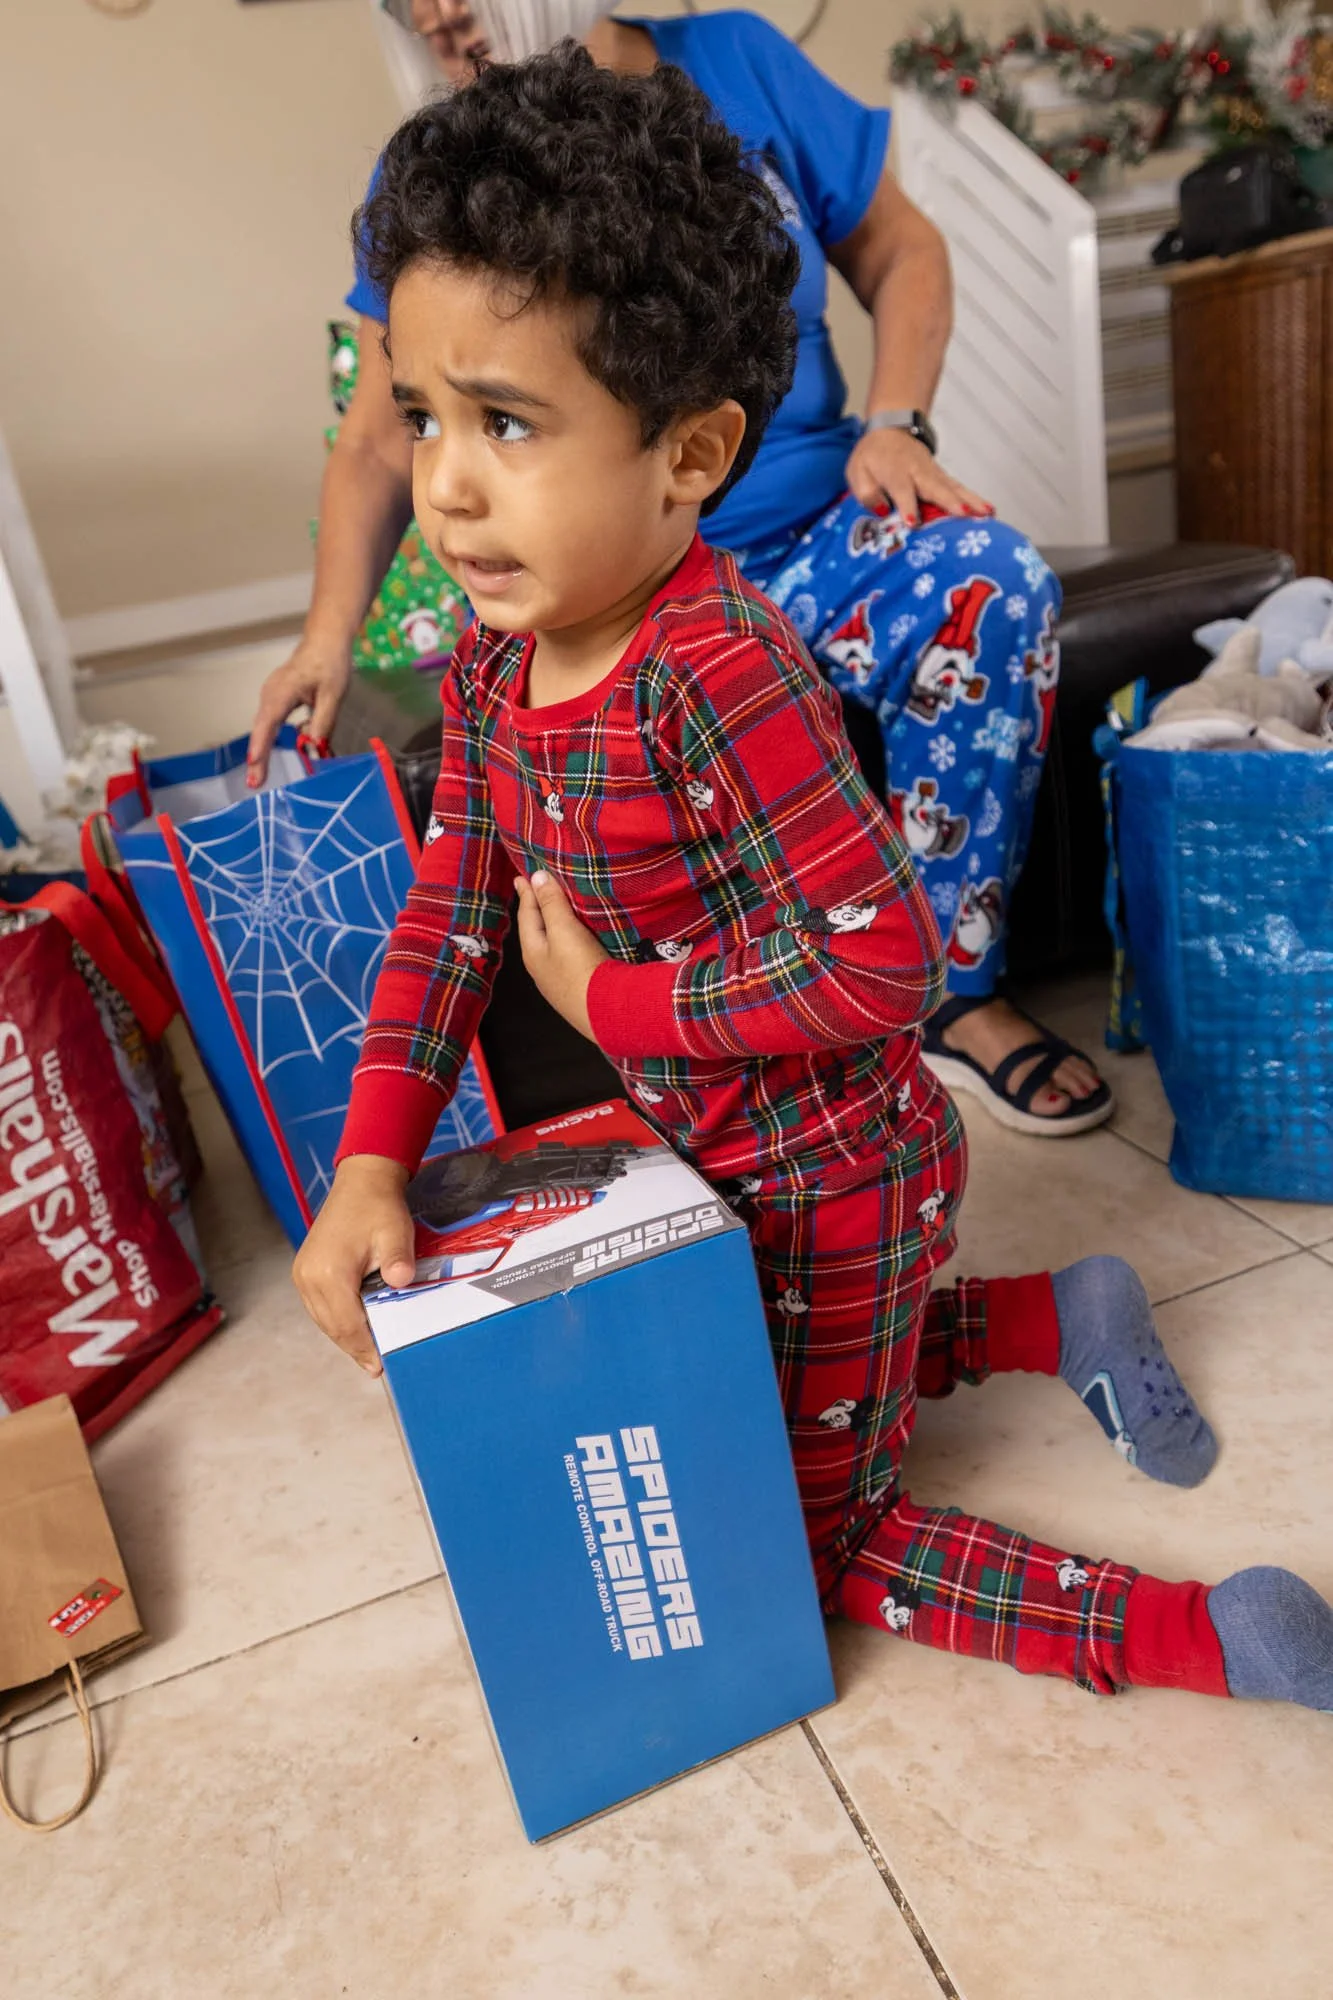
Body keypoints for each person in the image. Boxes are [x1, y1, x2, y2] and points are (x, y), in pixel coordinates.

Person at [294, 48, 1333, 1716]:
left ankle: (1203, 1633)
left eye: (507, 423)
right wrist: (370, 1160)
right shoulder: (492, 666)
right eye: (425, 415)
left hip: (832, 1174)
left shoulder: (720, 675)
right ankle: (1053, 1315)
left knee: (808, 1536)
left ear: (690, 453)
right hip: (697, 1170)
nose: (447, 485)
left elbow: (883, 964)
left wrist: (612, 1004)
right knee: (751, 1382)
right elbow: (449, 910)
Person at [248, 1, 1111, 1136]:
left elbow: (902, 247)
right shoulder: (442, 176)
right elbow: (372, 440)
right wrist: (325, 635)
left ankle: (948, 1000)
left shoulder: (740, 59)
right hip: (611, 584)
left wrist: (896, 422)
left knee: (988, 580)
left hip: (813, 532)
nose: (435, 11)